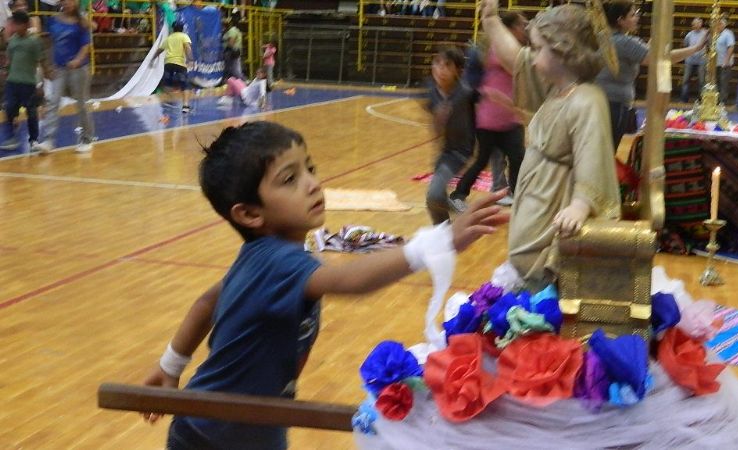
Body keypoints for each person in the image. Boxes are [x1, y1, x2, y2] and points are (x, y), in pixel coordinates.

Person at [140, 121, 509, 449]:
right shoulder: (276, 263)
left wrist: (171, 366)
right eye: (290, 179)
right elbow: (351, 279)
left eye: (310, 169)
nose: (313, 183)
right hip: (214, 434)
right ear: (250, 214)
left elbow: (207, 303)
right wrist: (437, 243)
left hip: (251, 424)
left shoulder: (261, 258)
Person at [480, 0, 621, 291]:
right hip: (537, 201)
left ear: (563, 49)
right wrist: (491, 19)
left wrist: (581, 206)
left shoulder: (586, 100)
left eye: (537, 48)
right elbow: (514, 59)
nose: (530, 56)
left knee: (541, 280)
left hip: (554, 206)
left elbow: (592, 157)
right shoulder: (556, 91)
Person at [595, 0, 706, 152]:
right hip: (614, 106)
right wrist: (696, 48)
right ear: (620, 20)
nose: (637, 17)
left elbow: (642, 53)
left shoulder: (604, 37)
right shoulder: (625, 42)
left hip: (600, 102)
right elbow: (662, 59)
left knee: (600, 151)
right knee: (606, 153)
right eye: (633, 15)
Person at [449, 11, 527, 212]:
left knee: (518, 158)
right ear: (509, 29)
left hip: (510, 117)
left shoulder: (514, 50)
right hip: (490, 118)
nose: (524, 29)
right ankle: (458, 195)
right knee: (483, 159)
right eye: (520, 25)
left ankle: (517, 196)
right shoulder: (497, 50)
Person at [33, 0, 95, 154]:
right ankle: (48, 140)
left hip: (79, 69)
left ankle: (86, 139)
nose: (68, 3)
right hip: (59, 68)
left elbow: (85, 45)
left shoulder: (81, 22)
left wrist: (77, 60)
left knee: (81, 104)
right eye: (65, 0)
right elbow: (50, 43)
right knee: (53, 102)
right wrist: (48, 64)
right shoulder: (53, 20)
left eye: (71, 1)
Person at [425, 46, 479, 224]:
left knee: (433, 195)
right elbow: (437, 131)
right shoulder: (432, 91)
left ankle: (443, 230)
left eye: (447, 65)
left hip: (461, 153)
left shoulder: (466, 92)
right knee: (437, 195)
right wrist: (438, 121)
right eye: (437, 63)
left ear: (458, 71)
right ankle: (447, 222)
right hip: (445, 152)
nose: (440, 69)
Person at [0, 10, 45, 151]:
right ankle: (10, 137)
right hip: (13, 82)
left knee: (31, 112)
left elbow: (39, 63)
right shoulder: (12, 41)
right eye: (14, 24)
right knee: (10, 107)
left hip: (29, 83)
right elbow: (9, 60)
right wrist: (5, 71)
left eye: (18, 24)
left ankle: (34, 140)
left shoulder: (34, 41)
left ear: (26, 25)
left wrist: (39, 84)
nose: (15, 27)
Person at [150, 20, 193, 113]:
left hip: (168, 63)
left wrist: (152, 59)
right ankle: (185, 106)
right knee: (185, 85)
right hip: (180, 63)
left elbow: (159, 50)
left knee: (167, 84)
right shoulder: (184, 36)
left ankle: (168, 102)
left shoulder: (169, 38)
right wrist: (190, 59)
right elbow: (187, 47)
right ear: (182, 29)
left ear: (173, 29)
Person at [680, 17, 707, 103]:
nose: (696, 25)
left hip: (702, 61)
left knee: (702, 81)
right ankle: (684, 98)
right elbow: (685, 46)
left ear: (701, 24)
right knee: (686, 80)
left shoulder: (705, 34)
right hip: (690, 60)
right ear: (692, 25)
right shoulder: (689, 35)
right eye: (695, 23)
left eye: (698, 23)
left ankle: (701, 99)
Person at [714, 17, 735, 105]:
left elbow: (731, 47)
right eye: (718, 24)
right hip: (716, 63)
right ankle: (717, 99)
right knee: (717, 82)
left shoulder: (728, 34)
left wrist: (726, 61)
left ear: (724, 25)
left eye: (720, 24)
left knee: (723, 82)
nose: (718, 26)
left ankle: (723, 101)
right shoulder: (715, 34)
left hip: (724, 63)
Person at [222, 15, 243, 81]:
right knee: (235, 69)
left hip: (231, 52)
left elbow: (231, 42)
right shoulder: (237, 30)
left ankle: (240, 83)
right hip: (235, 52)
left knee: (233, 70)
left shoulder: (232, 30)